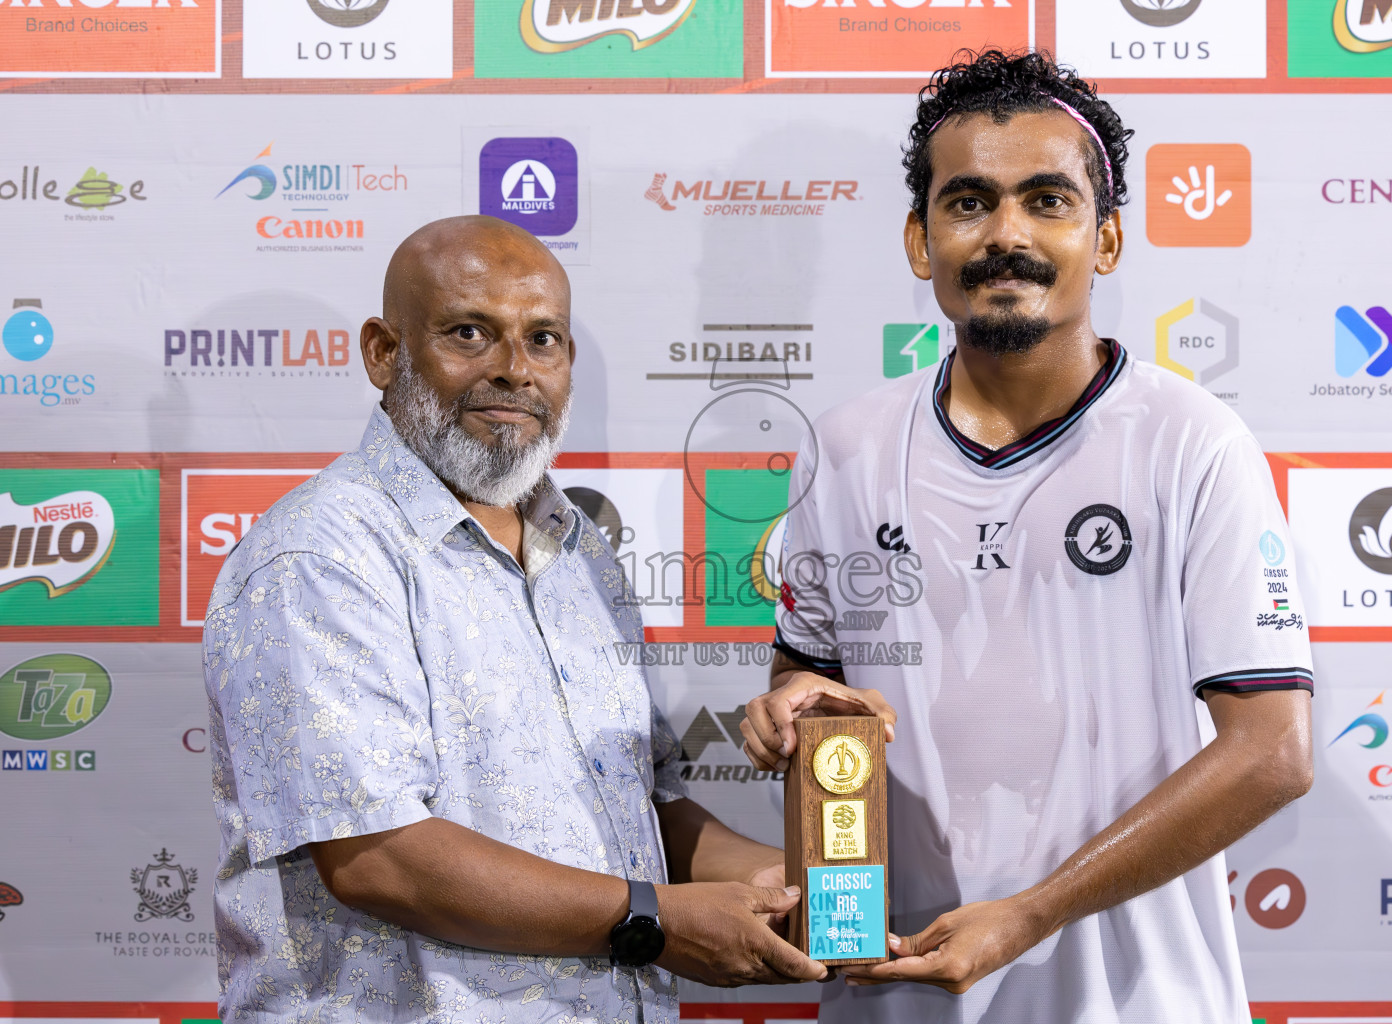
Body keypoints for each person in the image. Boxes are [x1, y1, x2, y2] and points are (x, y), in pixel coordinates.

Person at [741, 51, 1314, 1023]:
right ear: (922, 241)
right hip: (894, 995)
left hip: (1139, 1002)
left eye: (1047, 200)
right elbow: (809, 693)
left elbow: (1274, 752)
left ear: (1109, 238)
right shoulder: (840, 448)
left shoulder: (1193, 443)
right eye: (969, 203)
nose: (1007, 234)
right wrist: (788, 709)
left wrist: (1031, 913)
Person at [203, 216, 826, 1022]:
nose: (514, 371)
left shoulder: (580, 549)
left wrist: (801, 888)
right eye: (470, 333)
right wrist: (654, 921)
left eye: (543, 340)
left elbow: (644, 813)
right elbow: (377, 858)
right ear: (384, 352)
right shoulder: (320, 555)